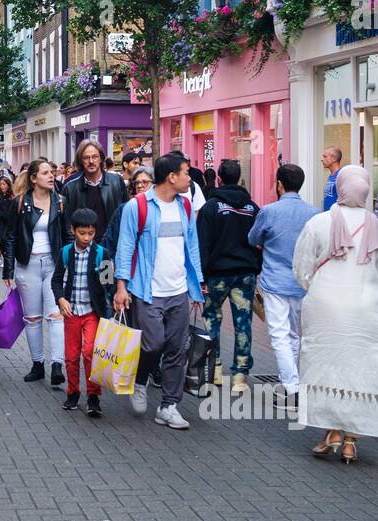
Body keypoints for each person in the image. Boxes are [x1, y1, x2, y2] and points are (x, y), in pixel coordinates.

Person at [292, 165, 378, 464]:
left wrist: (318, 287)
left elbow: (301, 267)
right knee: (359, 370)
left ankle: (331, 431)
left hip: (326, 308)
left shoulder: (319, 222)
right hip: (366, 310)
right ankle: (349, 440)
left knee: (327, 366)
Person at [113, 152, 205, 428]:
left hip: (178, 290)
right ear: (171, 177)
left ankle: (169, 405)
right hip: (146, 290)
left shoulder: (185, 206)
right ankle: (140, 380)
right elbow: (125, 247)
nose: (190, 178)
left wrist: (197, 285)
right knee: (153, 344)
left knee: (177, 347)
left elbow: (192, 246)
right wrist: (121, 286)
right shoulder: (137, 207)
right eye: (186, 172)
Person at [246, 164, 318, 406]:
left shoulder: (269, 211)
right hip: (303, 282)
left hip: (274, 280)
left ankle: (291, 386)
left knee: (279, 336)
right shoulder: (313, 213)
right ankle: (293, 380)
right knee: (295, 334)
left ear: (279, 184)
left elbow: (253, 238)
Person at [195, 159, 262, 395]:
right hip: (245, 274)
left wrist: (200, 277)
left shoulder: (211, 207)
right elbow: (259, 242)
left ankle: (214, 370)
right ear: (239, 178)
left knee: (212, 320)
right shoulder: (252, 208)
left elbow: (202, 244)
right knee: (243, 323)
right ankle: (240, 376)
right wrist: (256, 267)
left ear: (220, 179)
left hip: (217, 275)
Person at [3, 159, 68, 385]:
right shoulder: (20, 203)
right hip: (27, 265)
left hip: (53, 264)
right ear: (33, 178)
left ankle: (57, 365)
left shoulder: (61, 202)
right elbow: (10, 236)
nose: (51, 176)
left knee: (56, 314)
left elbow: (67, 236)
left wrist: (68, 265)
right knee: (32, 318)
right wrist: (8, 270)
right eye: (45, 173)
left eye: (52, 172)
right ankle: (37, 364)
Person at [52, 207, 110, 417]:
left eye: (91, 233)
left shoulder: (102, 253)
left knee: (90, 353)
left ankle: (93, 396)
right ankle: (73, 392)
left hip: (92, 312)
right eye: (82, 233)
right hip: (71, 312)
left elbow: (108, 284)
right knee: (70, 356)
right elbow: (56, 280)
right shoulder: (66, 252)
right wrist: (60, 299)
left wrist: (113, 301)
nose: (86, 238)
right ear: (73, 230)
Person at [62, 139, 128, 242]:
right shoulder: (70, 188)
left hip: (112, 246)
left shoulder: (116, 182)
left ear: (101, 159)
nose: (91, 161)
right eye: (86, 158)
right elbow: (67, 226)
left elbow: (125, 215)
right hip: (83, 249)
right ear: (80, 161)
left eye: (95, 157)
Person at [103, 167, 153, 257]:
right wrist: (107, 270)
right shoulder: (124, 208)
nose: (139, 186)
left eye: (145, 182)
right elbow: (110, 241)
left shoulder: (159, 208)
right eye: (137, 182)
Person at [0, 175, 17, 266]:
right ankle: (4, 257)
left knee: (7, 240)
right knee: (1, 241)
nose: (2, 186)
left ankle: (8, 259)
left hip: (9, 222)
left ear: (8, 185)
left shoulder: (12, 197)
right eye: (1, 184)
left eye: (4, 184)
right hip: (2, 222)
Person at [320, 147, 342, 212]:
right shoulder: (331, 176)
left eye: (325, 156)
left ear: (334, 159)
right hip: (327, 216)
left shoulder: (341, 176)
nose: (322, 159)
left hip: (336, 217)